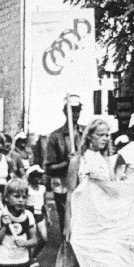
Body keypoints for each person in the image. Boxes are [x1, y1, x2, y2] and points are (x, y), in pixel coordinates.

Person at [58, 118, 127, 267]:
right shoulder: (78, 160)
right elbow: (69, 193)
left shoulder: (106, 161)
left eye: (108, 134)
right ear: (90, 137)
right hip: (82, 220)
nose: (106, 138)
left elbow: (111, 190)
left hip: (101, 221)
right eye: (101, 134)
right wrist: (68, 224)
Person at [44, 95, 84, 238]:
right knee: (67, 221)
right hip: (63, 184)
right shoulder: (55, 137)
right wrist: (68, 163)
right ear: (65, 112)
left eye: (77, 110)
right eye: (72, 111)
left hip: (83, 183)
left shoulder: (85, 133)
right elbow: (49, 168)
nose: (75, 114)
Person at [24, 165, 48, 267]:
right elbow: (23, 203)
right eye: (36, 176)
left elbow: (45, 203)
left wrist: (48, 216)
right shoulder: (27, 188)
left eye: (40, 176)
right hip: (30, 215)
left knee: (44, 238)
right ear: (31, 177)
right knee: (31, 239)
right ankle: (29, 261)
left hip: (40, 215)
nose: (39, 178)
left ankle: (33, 255)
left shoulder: (43, 188)